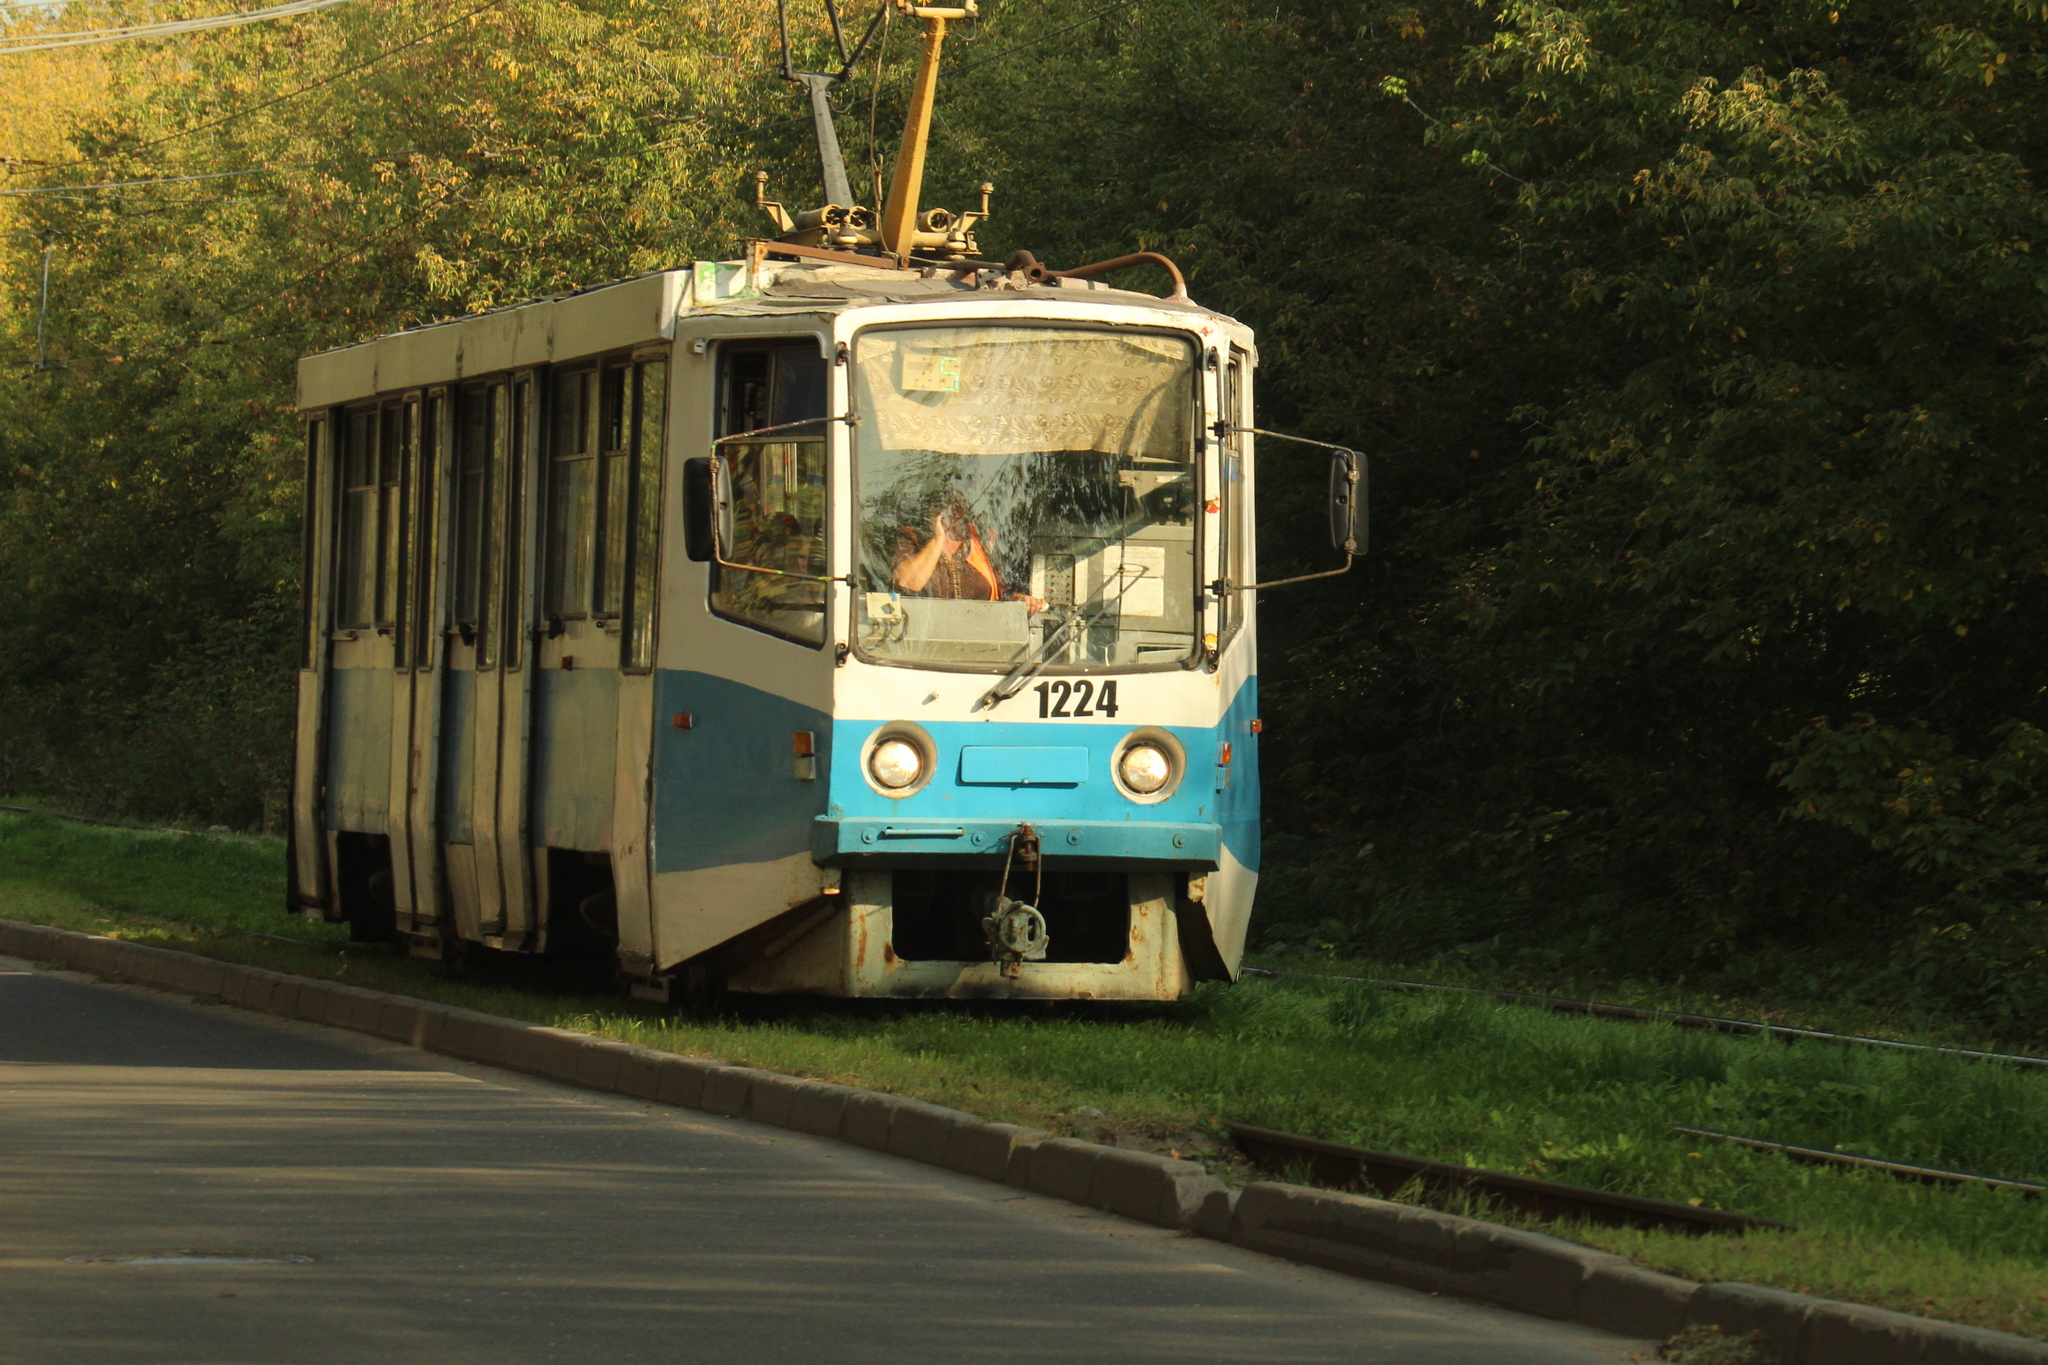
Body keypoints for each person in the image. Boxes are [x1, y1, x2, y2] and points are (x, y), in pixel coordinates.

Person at [893, 491, 1047, 612]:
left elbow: (1005, 594)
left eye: (959, 512)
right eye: (947, 513)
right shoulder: (912, 540)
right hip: (923, 640)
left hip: (982, 639)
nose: (955, 519)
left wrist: (1021, 601)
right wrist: (938, 539)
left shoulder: (981, 545)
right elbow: (904, 584)